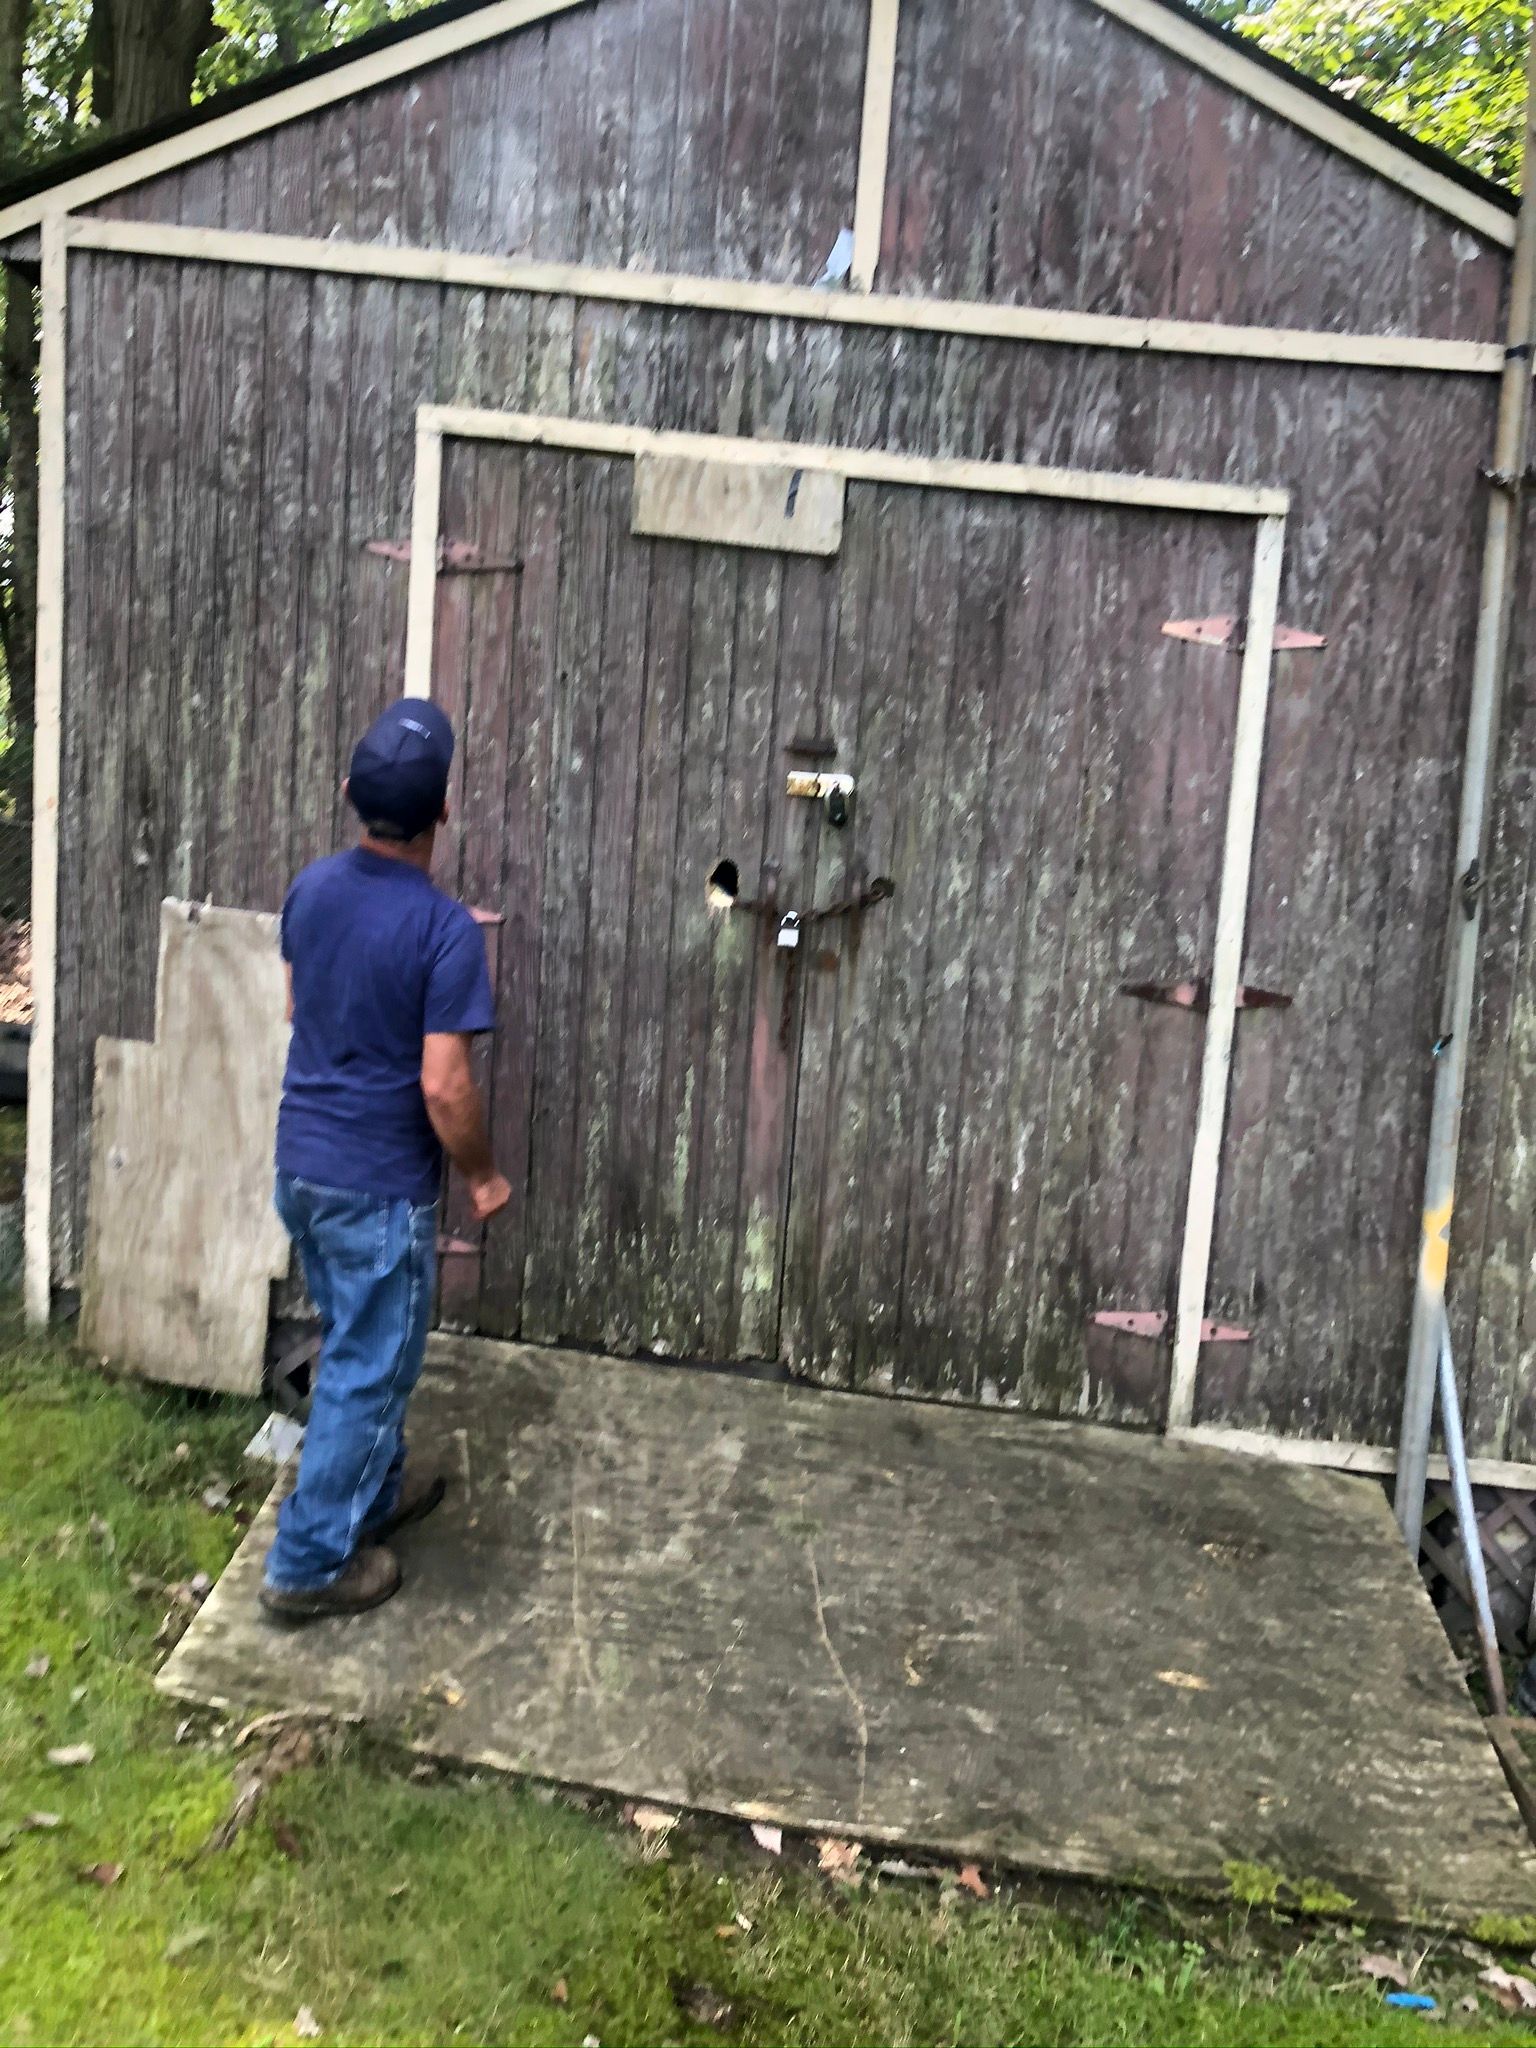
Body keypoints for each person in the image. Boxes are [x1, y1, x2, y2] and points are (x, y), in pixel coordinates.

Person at [260, 698, 510, 1622]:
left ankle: (368, 1494)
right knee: (373, 1365)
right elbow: (444, 1087)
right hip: (376, 1187)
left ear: (347, 796)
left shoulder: (310, 889)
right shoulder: (443, 931)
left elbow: (298, 1006)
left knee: (359, 1339)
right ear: (442, 814)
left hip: (303, 1169)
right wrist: (483, 1175)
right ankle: (309, 1565)